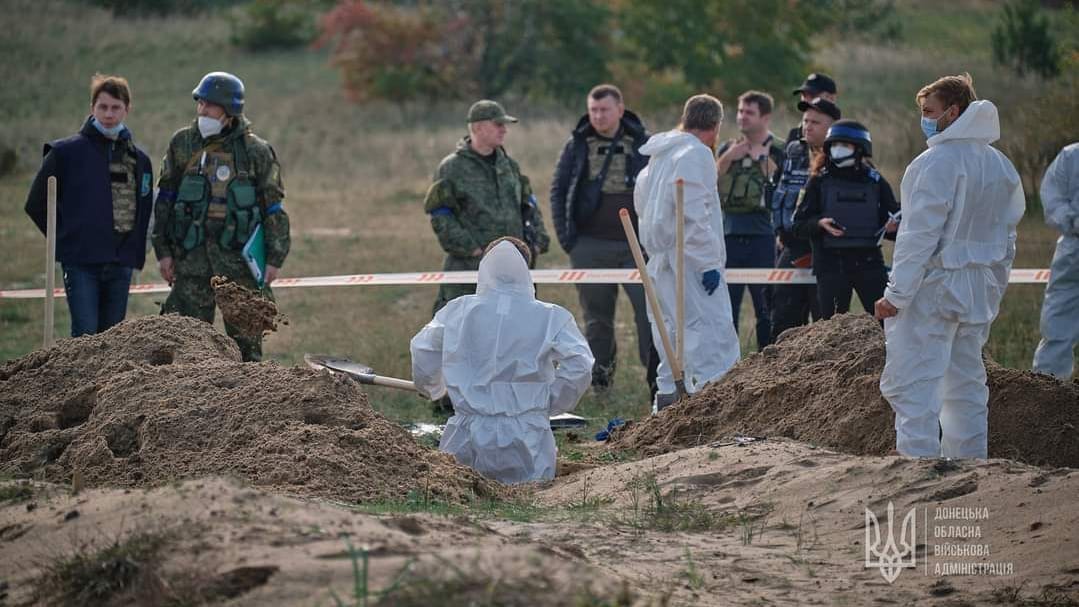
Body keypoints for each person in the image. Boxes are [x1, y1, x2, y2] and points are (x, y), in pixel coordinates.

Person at [876, 74, 1025, 459]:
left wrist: (896, 294)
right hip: (978, 289)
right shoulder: (1000, 165)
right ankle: (971, 462)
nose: (924, 119)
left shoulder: (935, 162)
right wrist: (995, 286)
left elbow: (917, 237)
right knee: (966, 383)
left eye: (929, 111)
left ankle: (917, 463)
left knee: (915, 379)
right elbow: (1009, 237)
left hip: (934, 288)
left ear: (953, 111)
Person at [410, 239, 593, 484]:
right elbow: (580, 364)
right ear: (526, 267)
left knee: (464, 497)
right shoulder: (551, 316)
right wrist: (550, 402)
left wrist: (432, 387)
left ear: (484, 265)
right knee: (529, 499)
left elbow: (423, 347)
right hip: (527, 438)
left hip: (466, 437)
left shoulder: (457, 311)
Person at [152, 71, 290, 362]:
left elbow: (273, 208)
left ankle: (248, 405)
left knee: (246, 352)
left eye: (209, 105)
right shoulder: (182, 144)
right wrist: (163, 252)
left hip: (239, 266)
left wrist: (274, 258)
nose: (202, 110)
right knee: (185, 345)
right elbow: (165, 200)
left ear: (229, 111)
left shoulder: (256, 151)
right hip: (191, 263)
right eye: (200, 103)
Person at [25, 74, 153, 337]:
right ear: (92, 108)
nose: (109, 114)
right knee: (85, 336)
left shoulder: (139, 159)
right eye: (102, 107)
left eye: (116, 107)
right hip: (81, 262)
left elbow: (144, 207)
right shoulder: (64, 153)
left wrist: (135, 251)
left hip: (120, 263)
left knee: (112, 340)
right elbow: (36, 204)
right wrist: (65, 239)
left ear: (127, 109)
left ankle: (109, 382)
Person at [634, 94, 741, 411]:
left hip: (662, 259)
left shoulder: (662, 154)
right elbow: (694, 215)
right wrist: (707, 262)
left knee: (669, 334)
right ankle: (712, 406)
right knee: (708, 335)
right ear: (716, 125)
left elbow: (643, 199)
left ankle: (668, 401)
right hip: (689, 263)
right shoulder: (697, 154)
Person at [549, 84, 658, 394]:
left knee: (649, 316)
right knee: (597, 320)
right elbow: (558, 190)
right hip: (590, 246)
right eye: (593, 110)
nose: (597, 116)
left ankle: (656, 384)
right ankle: (600, 382)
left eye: (604, 110)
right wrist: (568, 239)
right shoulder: (577, 145)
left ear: (620, 110)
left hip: (638, 247)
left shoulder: (644, 144)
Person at [424, 100, 550, 315]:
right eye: (498, 124)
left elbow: (528, 204)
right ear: (478, 127)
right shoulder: (452, 168)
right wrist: (473, 250)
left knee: (514, 330)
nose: (504, 130)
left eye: (504, 125)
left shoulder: (509, 166)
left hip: (513, 269)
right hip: (470, 270)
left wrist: (537, 241)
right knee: (465, 330)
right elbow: (440, 215)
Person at [792, 120, 899, 319]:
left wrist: (892, 227)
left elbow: (895, 221)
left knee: (887, 322)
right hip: (831, 265)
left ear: (860, 149)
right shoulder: (818, 181)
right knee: (831, 329)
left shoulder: (875, 182)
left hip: (869, 263)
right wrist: (819, 224)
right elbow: (798, 225)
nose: (838, 150)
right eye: (834, 145)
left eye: (845, 145)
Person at [715, 91, 785, 350]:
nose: (742, 117)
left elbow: (784, 188)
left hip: (763, 237)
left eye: (749, 112)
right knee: (726, 309)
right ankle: (727, 368)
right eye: (740, 111)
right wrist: (728, 158)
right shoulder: (727, 148)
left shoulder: (779, 150)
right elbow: (709, 184)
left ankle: (767, 365)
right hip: (729, 236)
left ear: (765, 117)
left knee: (766, 308)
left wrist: (763, 160)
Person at [770, 98, 840, 340]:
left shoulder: (844, 157)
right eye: (806, 121)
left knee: (825, 324)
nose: (807, 126)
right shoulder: (794, 151)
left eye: (815, 122)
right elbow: (780, 191)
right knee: (783, 319)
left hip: (827, 249)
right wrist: (780, 231)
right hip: (793, 245)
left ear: (832, 126)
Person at [1032, 142, 1079, 378]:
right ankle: (1047, 393)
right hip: (1074, 249)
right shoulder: (1072, 157)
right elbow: (1052, 198)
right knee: (1057, 324)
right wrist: (1072, 221)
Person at [787, 73, 838, 144]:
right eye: (804, 95)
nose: (806, 100)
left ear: (831, 98)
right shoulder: (795, 134)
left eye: (813, 96)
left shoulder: (844, 134)